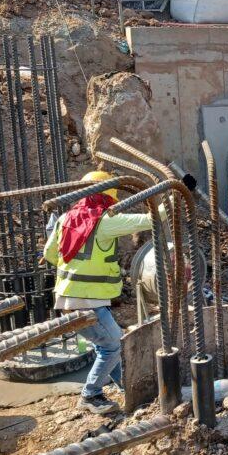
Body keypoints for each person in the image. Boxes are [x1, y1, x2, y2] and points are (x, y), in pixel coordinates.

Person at [43, 170, 158, 415]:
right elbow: (151, 219)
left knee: (104, 344)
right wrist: (177, 195)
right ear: (108, 196)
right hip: (87, 301)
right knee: (113, 345)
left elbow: (49, 255)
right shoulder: (104, 221)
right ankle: (91, 394)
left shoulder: (65, 218)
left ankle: (127, 385)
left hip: (67, 299)